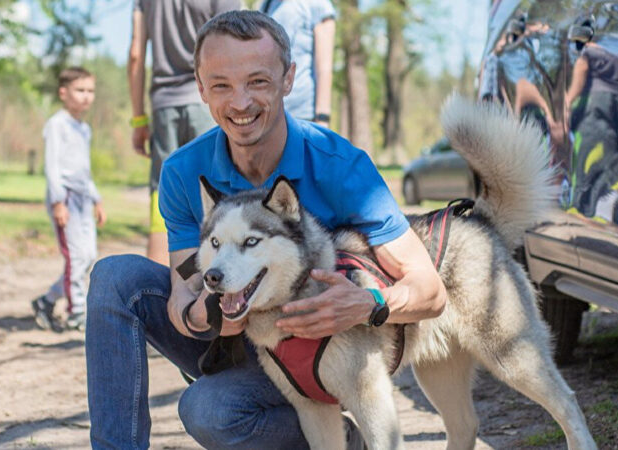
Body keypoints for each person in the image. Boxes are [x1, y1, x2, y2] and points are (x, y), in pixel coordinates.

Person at [86, 11, 446, 449]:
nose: (239, 103)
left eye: (257, 81)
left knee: (207, 411)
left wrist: (367, 303)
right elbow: (186, 288)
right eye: (221, 85)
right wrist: (203, 317)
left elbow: (431, 291)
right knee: (115, 278)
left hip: (330, 350)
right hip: (242, 345)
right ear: (200, 87)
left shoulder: (341, 166)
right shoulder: (183, 172)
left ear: (288, 78)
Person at [128, 0, 240, 266]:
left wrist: (138, 118)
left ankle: (158, 290)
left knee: (162, 194)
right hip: (209, 101)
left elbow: (135, 55)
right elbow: (234, 46)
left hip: (163, 107)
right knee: (218, 197)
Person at [32, 67, 107, 332]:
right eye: (80, 90)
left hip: (84, 199)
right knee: (75, 257)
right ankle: (77, 311)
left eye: (90, 91)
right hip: (65, 199)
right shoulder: (57, 125)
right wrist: (57, 201)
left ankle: (47, 300)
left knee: (88, 256)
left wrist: (97, 199)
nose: (86, 97)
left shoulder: (83, 128)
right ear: (64, 93)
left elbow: (84, 170)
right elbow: (52, 166)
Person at [261, 0, 335, 128]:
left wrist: (322, 118)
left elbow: (324, 68)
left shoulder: (319, 5)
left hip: (302, 116)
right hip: (268, 114)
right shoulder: (267, 4)